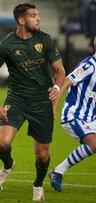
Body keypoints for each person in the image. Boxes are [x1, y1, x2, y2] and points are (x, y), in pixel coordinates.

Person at [0, 3, 66, 201]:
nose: (38, 18)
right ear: (21, 20)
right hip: (17, 99)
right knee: (1, 143)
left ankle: (37, 185)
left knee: (42, 155)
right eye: (33, 15)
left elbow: (60, 71)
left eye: (38, 15)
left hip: (41, 102)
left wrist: (55, 89)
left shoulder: (45, 40)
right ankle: (9, 164)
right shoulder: (6, 45)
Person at [49, 36, 96, 192]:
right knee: (94, 144)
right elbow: (68, 79)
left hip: (92, 118)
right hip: (75, 115)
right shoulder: (90, 65)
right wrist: (54, 103)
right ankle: (58, 171)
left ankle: (57, 171)